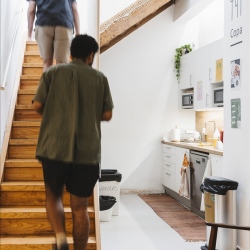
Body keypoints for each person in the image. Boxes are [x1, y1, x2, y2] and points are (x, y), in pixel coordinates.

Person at [32, 35, 114, 250]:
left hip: (54, 148)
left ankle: (60, 237)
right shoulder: (100, 78)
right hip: (87, 153)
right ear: (90, 56)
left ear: (70, 53)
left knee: (54, 196)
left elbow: (37, 105)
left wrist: (57, 113)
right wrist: (86, 114)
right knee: (80, 208)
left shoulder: (52, 73)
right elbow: (107, 114)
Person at [27, 0, 80, 71]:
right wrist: (78, 33)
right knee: (62, 63)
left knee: (47, 62)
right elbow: (75, 10)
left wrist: (29, 31)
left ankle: (48, 81)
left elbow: (31, 9)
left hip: (43, 23)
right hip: (64, 23)